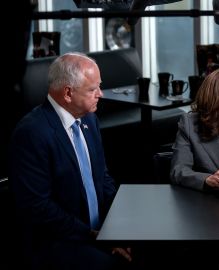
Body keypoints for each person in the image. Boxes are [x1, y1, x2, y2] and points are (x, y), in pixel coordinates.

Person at [9, 52, 132, 270]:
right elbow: (39, 208)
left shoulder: (89, 119)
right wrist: (94, 236)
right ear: (68, 93)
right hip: (60, 240)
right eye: (93, 89)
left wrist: (119, 225)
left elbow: (102, 178)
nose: (100, 94)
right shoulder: (31, 133)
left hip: (98, 231)